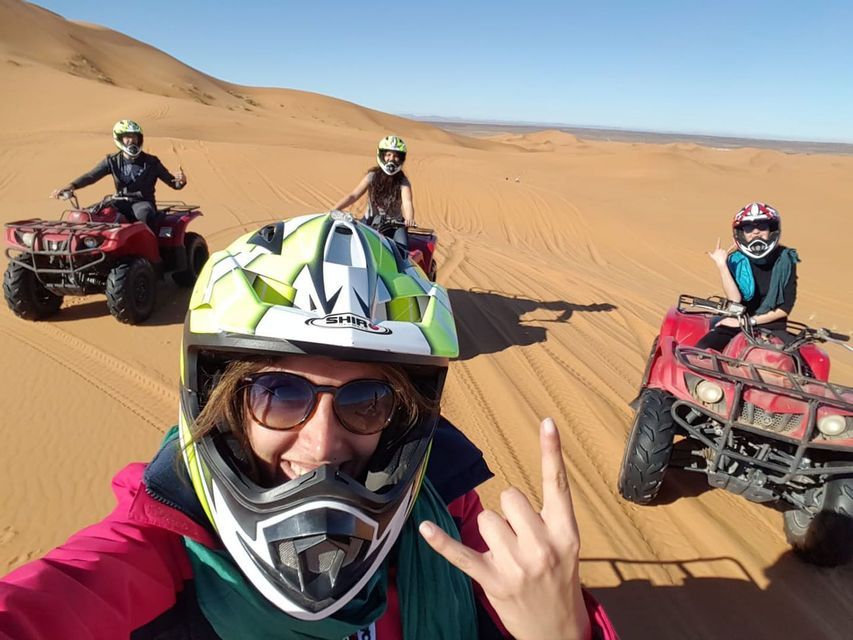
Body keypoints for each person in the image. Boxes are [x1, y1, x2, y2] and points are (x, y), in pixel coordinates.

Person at [0, 212, 617, 640]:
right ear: (221, 400)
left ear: (402, 419)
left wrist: (563, 631)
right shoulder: (161, 542)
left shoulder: (448, 524)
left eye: (367, 400)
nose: (323, 445)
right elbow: (45, 607)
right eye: (279, 392)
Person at [697, 202, 799, 352]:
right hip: (737, 322)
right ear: (741, 232)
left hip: (772, 328)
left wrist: (750, 322)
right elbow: (735, 300)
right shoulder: (736, 260)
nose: (755, 232)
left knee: (801, 366)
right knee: (701, 351)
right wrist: (722, 265)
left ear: (772, 229)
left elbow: (784, 309)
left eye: (762, 226)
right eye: (749, 228)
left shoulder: (785, 260)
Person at [51, 119, 187, 229]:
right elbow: (91, 176)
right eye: (127, 137)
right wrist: (70, 186)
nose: (131, 141)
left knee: (144, 214)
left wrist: (180, 181)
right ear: (119, 139)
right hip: (119, 201)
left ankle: (151, 254)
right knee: (93, 215)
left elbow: (173, 183)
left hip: (142, 202)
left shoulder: (152, 162)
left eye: (134, 137)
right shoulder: (112, 160)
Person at [334, 135, 416, 229]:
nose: (391, 159)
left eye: (396, 156)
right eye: (388, 155)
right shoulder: (372, 176)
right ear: (382, 156)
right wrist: (335, 209)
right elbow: (353, 195)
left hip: (394, 225)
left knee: (402, 243)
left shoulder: (403, 182)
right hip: (370, 221)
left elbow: (407, 203)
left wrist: (410, 218)